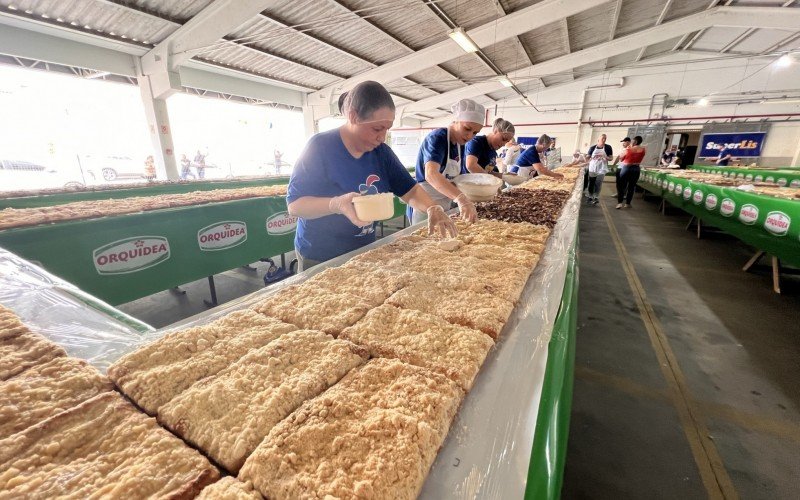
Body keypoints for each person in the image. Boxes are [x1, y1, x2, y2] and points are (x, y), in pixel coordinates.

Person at [287, 80, 457, 271]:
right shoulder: (320, 147)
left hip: (364, 250)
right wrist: (335, 204)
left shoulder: (381, 153)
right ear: (353, 116)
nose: (382, 137)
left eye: (387, 129)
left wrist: (432, 208)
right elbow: (295, 205)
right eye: (377, 129)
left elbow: (411, 191)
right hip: (321, 255)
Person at [409, 98, 485, 224]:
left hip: (446, 203)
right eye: (467, 128)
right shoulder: (438, 138)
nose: (470, 136)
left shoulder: (460, 144)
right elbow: (431, 174)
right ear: (456, 120)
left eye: (475, 133)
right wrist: (461, 198)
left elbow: (455, 178)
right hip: (427, 205)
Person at [616, 136, 645, 209]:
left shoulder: (628, 149)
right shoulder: (643, 149)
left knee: (622, 186)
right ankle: (627, 203)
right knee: (631, 187)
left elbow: (621, 159)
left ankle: (619, 203)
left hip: (626, 168)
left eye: (632, 141)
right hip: (636, 168)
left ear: (635, 141)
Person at [586, 135, 612, 204]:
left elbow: (611, 158)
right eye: (602, 138)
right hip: (593, 167)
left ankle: (596, 197)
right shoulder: (592, 148)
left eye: (605, 139)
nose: (604, 140)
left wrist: (606, 157)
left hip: (602, 168)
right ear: (598, 139)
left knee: (598, 183)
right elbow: (588, 157)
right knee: (591, 182)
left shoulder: (608, 147)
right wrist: (586, 157)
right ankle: (590, 196)